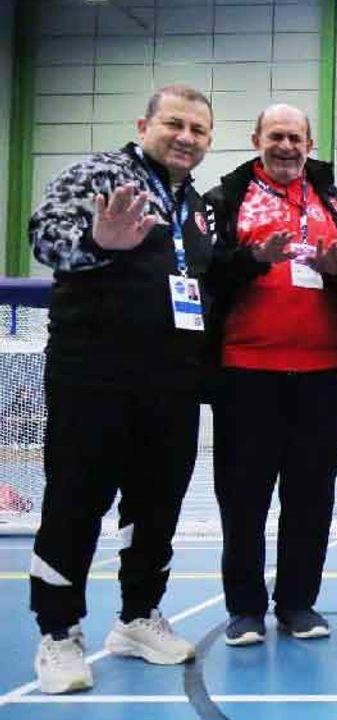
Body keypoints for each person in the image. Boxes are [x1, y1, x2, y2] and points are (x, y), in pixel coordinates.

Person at [26, 85, 215, 694]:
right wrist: (97, 243)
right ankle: (58, 633)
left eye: (199, 130)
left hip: (172, 378)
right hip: (95, 373)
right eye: (174, 124)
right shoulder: (98, 174)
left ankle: (138, 618)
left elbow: (199, 278)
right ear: (143, 124)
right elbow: (42, 236)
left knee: (158, 503)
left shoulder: (195, 204)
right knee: (75, 501)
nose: (186, 137)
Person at [204, 104, 337, 645]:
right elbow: (204, 275)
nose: (287, 146)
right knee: (243, 497)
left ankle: (298, 603)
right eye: (276, 136)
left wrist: (336, 271)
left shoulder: (333, 201)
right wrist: (250, 260)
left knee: (311, 496)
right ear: (256, 139)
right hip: (246, 372)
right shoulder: (226, 199)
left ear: (310, 144)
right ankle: (244, 608)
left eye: (296, 137)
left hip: (325, 374)